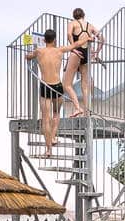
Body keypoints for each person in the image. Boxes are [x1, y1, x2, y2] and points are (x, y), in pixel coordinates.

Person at [27, 27, 92, 155]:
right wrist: (87, 38)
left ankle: (48, 149)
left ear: (44, 40)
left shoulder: (39, 52)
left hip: (45, 86)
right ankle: (53, 137)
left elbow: (28, 56)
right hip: (57, 86)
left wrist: (27, 55)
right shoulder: (60, 50)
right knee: (56, 113)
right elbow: (76, 44)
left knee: (45, 118)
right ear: (55, 40)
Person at [64, 8, 102, 117]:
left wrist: (73, 47)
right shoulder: (89, 25)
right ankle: (87, 112)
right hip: (86, 53)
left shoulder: (72, 23)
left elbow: (69, 34)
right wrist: (97, 52)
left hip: (77, 53)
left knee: (66, 84)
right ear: (83, 15)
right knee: (85, 86)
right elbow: (102, 38)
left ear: (74, 16)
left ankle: (77, 108)